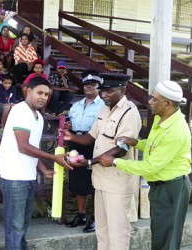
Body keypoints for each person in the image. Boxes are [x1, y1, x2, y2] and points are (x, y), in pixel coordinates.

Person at [98, 80, 192, 250]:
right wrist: (136, 142)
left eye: (155, 99)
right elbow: (153, 145)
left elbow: (150, 167)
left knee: (166, 241)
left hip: (171, 188)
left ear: (167, 104)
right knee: (160, 234)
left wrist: (115, 162)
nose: (150, 102)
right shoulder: (162, 118)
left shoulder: (176, 131)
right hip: (161, 186)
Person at [62, 73, 142, 250]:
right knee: (102, 230)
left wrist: (90, 162)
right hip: (100, 181)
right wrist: (71, 136)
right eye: (103, 91)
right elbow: (92, 136)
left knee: (118, 232)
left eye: (109, 91)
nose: (104, 95)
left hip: (117, 183)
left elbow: (122, 147)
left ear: (123, 89)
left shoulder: (130, 112)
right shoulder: (104, 109)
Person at [0, 76, 72, 250]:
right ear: (29, 91)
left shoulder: (38, 117)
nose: (43, 97)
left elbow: (33, 147)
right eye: (39, 93)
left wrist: (43, 169)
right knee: (15, 225)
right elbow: (23, 146)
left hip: (27, 175)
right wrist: (53, 158)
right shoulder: (20, 111)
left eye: (46, 94)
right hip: (13, 176)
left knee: (23, 224)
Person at [65, 70, 105, 233]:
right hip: (76, 144)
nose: (89, 87)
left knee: (95, 182)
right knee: (78, 181)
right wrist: (68, 127)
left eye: (93, 85)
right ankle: (81, 214)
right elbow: (71, 125)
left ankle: (96, 218)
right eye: (86, 84)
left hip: (94, 145)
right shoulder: (76, 105)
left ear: (98, 87)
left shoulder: (104, 106)